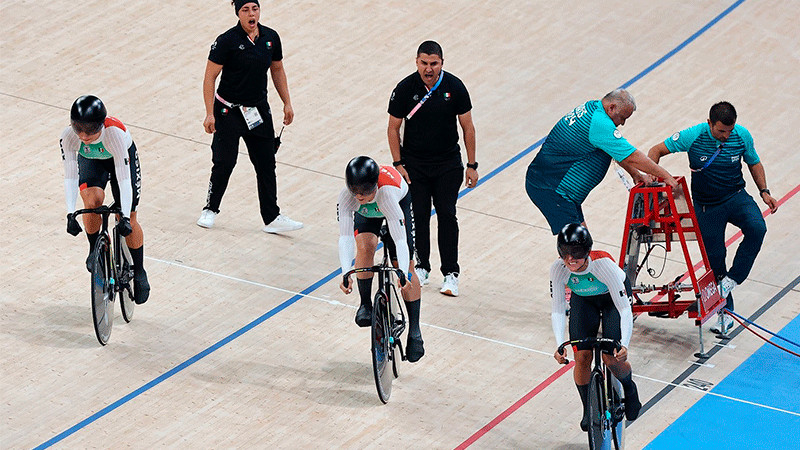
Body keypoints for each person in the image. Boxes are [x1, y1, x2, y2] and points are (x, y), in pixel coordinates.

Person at [648, 101, 778, 334]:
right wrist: (653, 184)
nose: (726, 136)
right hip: (707, 206)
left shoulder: (741, 135)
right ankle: (725, 314)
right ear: (709, 124)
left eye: (730, 130)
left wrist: (764, 191)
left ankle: (732, 280)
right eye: (721, 131)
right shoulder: (692, 136)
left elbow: (754, 162)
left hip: (735, 197)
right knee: (715, 259)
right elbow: (655, 152)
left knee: (758, 228)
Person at [197, 0, 302, 234]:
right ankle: (210, 209)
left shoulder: (270, 38)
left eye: (255, 9)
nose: (251, 14)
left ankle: (272, 217)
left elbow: (277, 70)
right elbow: (209, 78)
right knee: (225, 161)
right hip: (228, 111)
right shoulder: (226, 41)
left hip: (257, 111)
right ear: (238, 13)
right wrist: (209, 112)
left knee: (266, 163)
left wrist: (287, 102)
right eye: (245, 10)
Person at [387, 40, 477, 297]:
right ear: (416, 62)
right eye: (424, 63)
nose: (429, 69)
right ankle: (423, 266)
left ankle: (451, 273)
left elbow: (467, 127)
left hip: (448, 164)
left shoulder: (455, 87)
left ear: (442, 63)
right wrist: (398, 164)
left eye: (434, 64)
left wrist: (472, 165)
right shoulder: (404, 89)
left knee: (447, 214)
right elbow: (393, 128)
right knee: (419, 216)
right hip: (415, 165)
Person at [526, 89, 679, 235]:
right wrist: (665, 175)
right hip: (552, 190)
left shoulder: (593, 107)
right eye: (623, 118)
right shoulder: (599, 123)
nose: (623, 123)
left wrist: (635, 174)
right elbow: (632, 156)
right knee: (577, 248)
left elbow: (613, 149)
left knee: (580, 246)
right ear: (612, 108)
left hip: (559, 190)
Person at [551, 223, 641, 430]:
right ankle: (588, 408)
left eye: (577, 254)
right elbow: (557, 309)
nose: (571, 260)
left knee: (611, 358)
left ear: (588, 252)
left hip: (612, 302)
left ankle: (629, 387)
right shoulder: (557, 269)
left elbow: (624, 310)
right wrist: (559, 344)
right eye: (565, 254)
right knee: (581, 357)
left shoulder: (603, 265)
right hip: (584, 301)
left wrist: (624, 344)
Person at [61, 95, 150, 304]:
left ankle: (139, 270)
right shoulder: (69, 136)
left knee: (128, 216)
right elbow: (70, 175)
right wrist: (69, 212)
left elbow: (124, 178)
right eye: (78, 129)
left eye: (90, 130)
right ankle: (94, 248)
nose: (84, 136)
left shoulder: (114, 135)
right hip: (93, 162)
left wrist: (126, 217)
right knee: (92, 202)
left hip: (120, 161)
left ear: (100, 125)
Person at [337, 156, 424, 362]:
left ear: (374, 187)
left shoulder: (386, 195)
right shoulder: (348, 196)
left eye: (364, 193)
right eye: (355, 192)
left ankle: (415, 331)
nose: (359, 197)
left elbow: (401, 240)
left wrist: (403, 272)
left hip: (397, 204)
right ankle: (365, 304)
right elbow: (346, 237)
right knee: (365, 246)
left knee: (404, 264)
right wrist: (344, 272)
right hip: (368, 214)